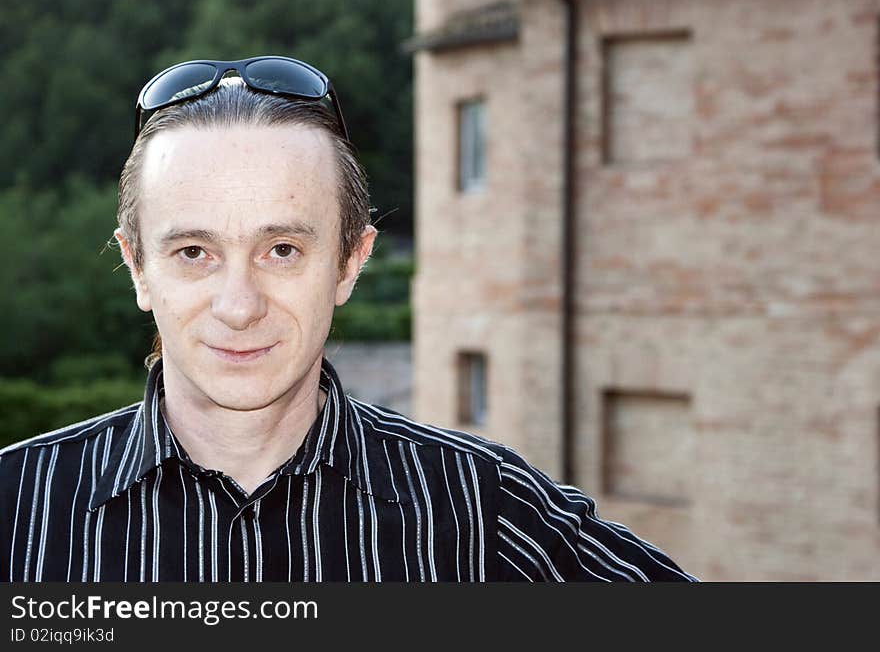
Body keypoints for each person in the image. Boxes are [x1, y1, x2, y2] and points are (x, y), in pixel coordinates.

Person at [0, 56, 695, 582]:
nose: (239, 306)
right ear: (137, 268)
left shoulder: (487, 508)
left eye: (282, 249)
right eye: (193, 252)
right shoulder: (15, 512)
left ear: (349, 262)